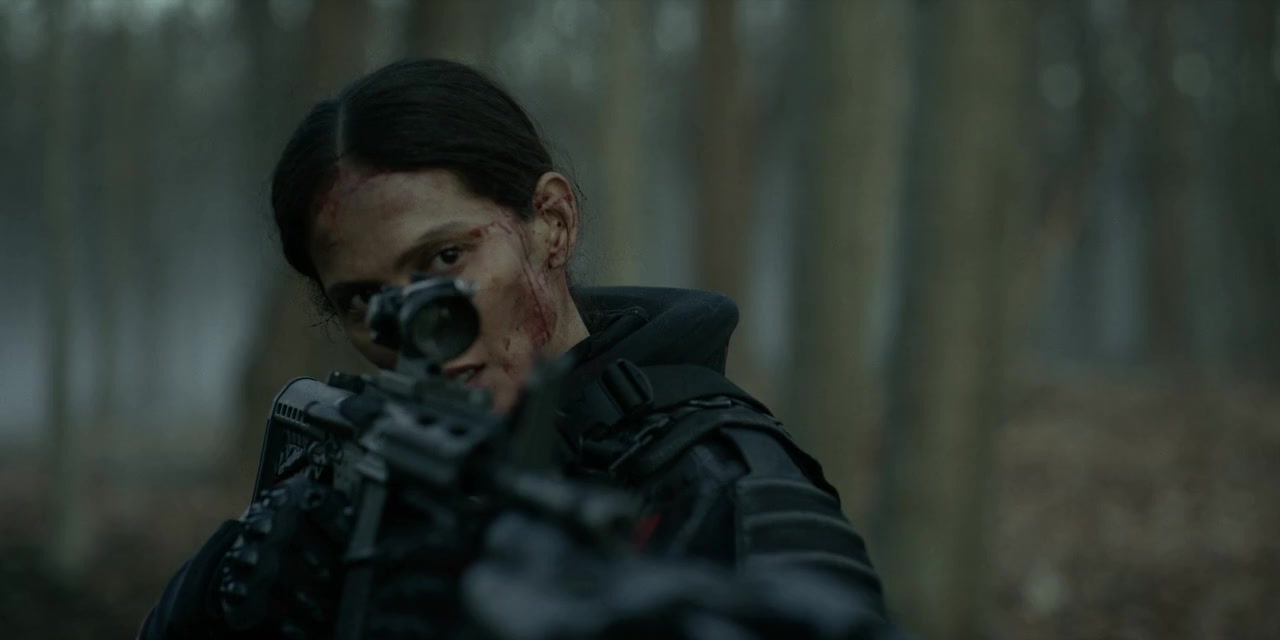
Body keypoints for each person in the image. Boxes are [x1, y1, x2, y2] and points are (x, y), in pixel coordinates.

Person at [139, 59, 898, 639]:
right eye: (364, 301)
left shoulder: (725, 483)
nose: (413, 325)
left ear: (553, 223)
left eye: (445, 260)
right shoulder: (365, 471)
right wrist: (227, 590)